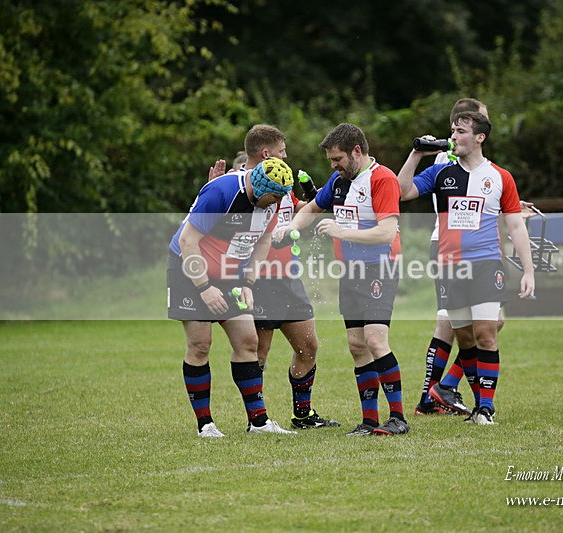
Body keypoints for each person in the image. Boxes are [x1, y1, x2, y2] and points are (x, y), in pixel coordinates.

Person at [399, 110, 535, 425]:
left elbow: (515, 225)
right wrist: (417, 153)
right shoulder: (442, 173)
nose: (454, 136)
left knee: (486, 332)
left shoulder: (501, 177)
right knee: (465, 339)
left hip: (487, 263)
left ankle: (486, 408)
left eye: (460, 131)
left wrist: (528, 270)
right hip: (450, 268)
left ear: (479, 137)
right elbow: (403, 191)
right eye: (453, 130)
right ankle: (476, 406)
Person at [278, 123, 409, 436]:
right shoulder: (339, 181)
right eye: (330, 161)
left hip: (379, 267)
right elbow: (311, 206)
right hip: (349, 271)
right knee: (356, 345)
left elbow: (387, 232)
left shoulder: (383, 179)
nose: (333, 165)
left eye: (337, 159)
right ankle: (369, 421)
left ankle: (398, 418)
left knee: (376, 340)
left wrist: (341, 232)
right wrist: (291, 227)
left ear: (357, 152)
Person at [167, 124, 297, 437]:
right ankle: (205, 425)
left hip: (228, 272)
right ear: (259, 185)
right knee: (200, 344)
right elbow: (188, 242)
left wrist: (249, 283)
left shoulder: (274, 196)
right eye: (273, 199)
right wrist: (205, 288)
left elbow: (264, 241)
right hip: (190, 269)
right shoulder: (222, 192)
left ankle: (259, 422)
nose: (276, 204)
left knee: (247, 341)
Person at [208, 151, 339, 430]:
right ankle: (258, 420)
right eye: (281, 149)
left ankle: (303, 416)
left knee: (308, 345)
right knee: (259, 352)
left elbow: (304, 211)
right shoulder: (243, 188)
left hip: (289, 278)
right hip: (258, 280)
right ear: (267, 152)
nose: (286, 154)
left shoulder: (282, 187)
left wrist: (313, 196)